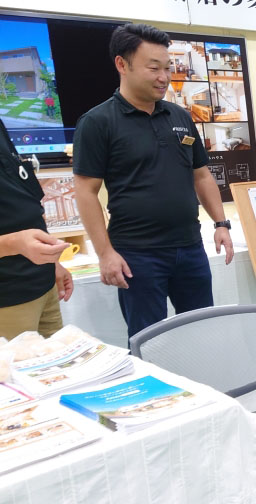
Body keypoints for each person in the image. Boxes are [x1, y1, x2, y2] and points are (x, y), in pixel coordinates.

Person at [73, 24, 234, 338]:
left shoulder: (180, 117)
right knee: (150, 341)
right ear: (122, 64)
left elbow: (201, 174)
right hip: (137, 255)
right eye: (153, 68)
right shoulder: (97, 122)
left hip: (190, 247)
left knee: (203, 331)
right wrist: (105, 253)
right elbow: (86, 191)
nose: (164, 77)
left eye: (167, 68)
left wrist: (221, 223)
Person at [0, 119, 74, 340]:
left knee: (56, 369)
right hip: (7, 297)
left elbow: (25, 198)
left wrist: (52, 262)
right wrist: (16, 244)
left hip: (43, 283)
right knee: (13, 373)